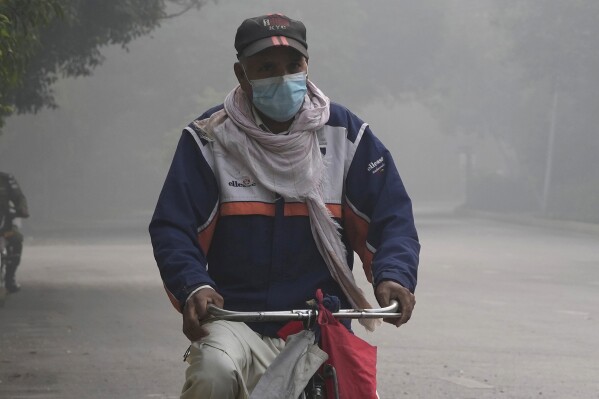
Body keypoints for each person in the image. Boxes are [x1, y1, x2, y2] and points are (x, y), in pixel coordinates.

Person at [149, 13, 420, 399]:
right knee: (213, 373)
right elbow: (175, 228)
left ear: (307, 66)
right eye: (266, 68)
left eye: (294, 66)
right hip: (236, 321)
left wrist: (394, 274)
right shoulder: (209, 140)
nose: (283, 77)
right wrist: (194, 285)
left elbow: (391, 217)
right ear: (242, 74)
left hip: (323, 322)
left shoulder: (347, 136)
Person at [0, 171, 30, 293]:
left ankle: (10, 276)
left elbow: (19, 197)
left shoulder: (6, 179)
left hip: (5, 225)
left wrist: (22, 209)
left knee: (17, 240)